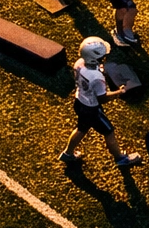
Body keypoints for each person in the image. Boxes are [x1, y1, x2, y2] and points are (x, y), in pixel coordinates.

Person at [58, 36, 143, 169]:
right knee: (109, 131)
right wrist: (120, 92)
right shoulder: (97, 78)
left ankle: (68, 154)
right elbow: (102, 98)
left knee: (82, 128)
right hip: (92, 109)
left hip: (79, 101)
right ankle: (120, 159)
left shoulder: (79, 63)